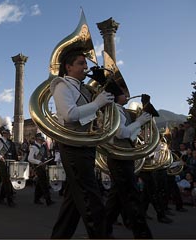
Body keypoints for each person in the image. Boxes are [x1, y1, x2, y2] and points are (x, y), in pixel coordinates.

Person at [49, 49, 115, 239]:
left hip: (84, 145)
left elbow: (88, 115)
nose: (86, 67)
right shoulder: (62, 85)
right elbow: (70, 114)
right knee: (90, 196)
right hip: (72, 146)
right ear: (68, 67)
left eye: (85, 63)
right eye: (80, 63)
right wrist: (97, 104)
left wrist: (102, 101)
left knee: (74, 199)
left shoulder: (82, 88)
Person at [104, 91, 153, 238]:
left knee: (117, 198)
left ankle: (103, 231)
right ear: (116, 95)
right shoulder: (114, 109)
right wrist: (139, 122)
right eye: (124, 93)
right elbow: (120, 133)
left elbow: (131, 135)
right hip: (119, 156)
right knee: (132, 196)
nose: (127, 96)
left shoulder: (122, 110)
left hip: (124, 155)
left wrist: (143, 114)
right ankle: (143, 235)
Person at [0, 117, 19, 207]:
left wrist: (16, 161)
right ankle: (10, 200)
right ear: (4, 132)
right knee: (7, 182)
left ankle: (1, 198)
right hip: (2, 163)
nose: (10, 134)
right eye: (8, 132)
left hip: (11, 163)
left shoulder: (11, 142)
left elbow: (14, 154)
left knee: (7, 182)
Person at [28, 132, 55, 206]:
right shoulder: (33, 147)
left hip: (43, 166)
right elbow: (30, 158)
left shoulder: (43, 147)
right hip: (38, 167)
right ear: (37, 139)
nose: (42, 141)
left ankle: (36, 199)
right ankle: (48, 200)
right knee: (44, 183)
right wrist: (38, 162)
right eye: (41, 139)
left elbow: (45, 157)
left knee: (40, 184)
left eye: (42, 139)